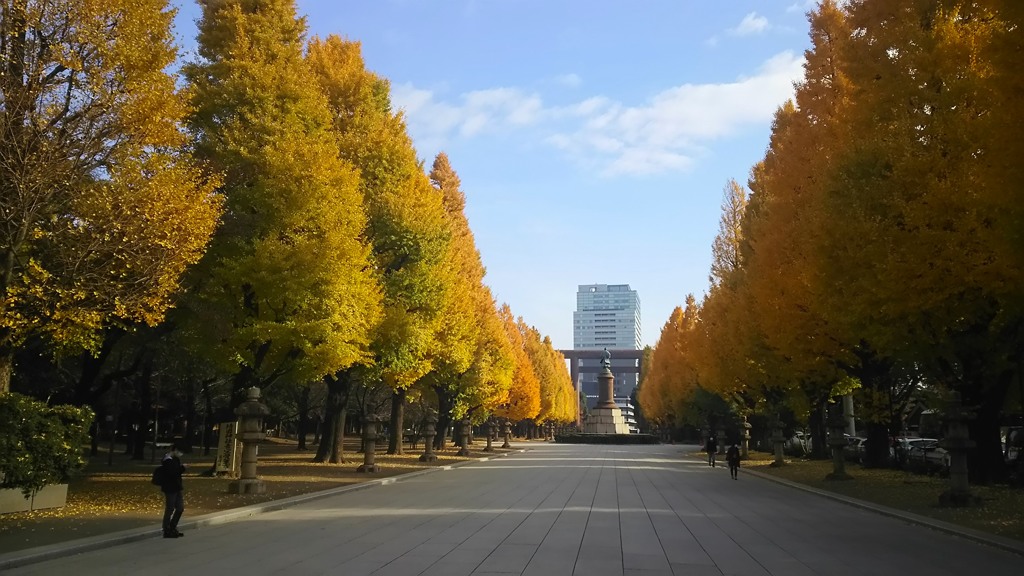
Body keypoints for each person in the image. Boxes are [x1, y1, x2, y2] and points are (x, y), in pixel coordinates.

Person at [159, 443, 187, 538]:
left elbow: (177, 472)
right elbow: (172, 473)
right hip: (170, 487)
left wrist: (182, 469)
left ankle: (172, 527)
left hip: (177, 486)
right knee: (170, 508)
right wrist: (182, 468)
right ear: (174, 450)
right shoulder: (167, 460)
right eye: (179, 451)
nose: (180, 454)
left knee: (180, 507)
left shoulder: (176, 459)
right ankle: (166, 529)